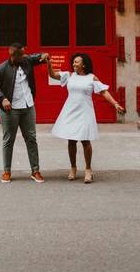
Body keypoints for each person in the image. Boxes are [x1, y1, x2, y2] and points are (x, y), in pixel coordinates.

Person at [49, 52, 125, 184]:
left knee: (85, 141)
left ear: (84, 64)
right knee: (71, 140)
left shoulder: (91, 78)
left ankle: (88, 170)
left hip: (85, 112)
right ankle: (73, 168)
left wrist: (115, 104)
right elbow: (53, 75)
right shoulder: (69, 75)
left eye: (76, 62)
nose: (74, 64)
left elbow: (104, 92)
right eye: (73, 62)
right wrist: (49, 64)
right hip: (70, 111)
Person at [0, 43, 50, 184]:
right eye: (22, 54)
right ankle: (6, 171)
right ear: (13, 55)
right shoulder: (1, 68)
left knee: (31, 138)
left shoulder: (26, 61)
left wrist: (43, 55)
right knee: (8, 140)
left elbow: (36, 58)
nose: (25, 56)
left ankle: (35, 170)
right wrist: (2, 98)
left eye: (25, 53)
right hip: (10, 109)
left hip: (28, 106)